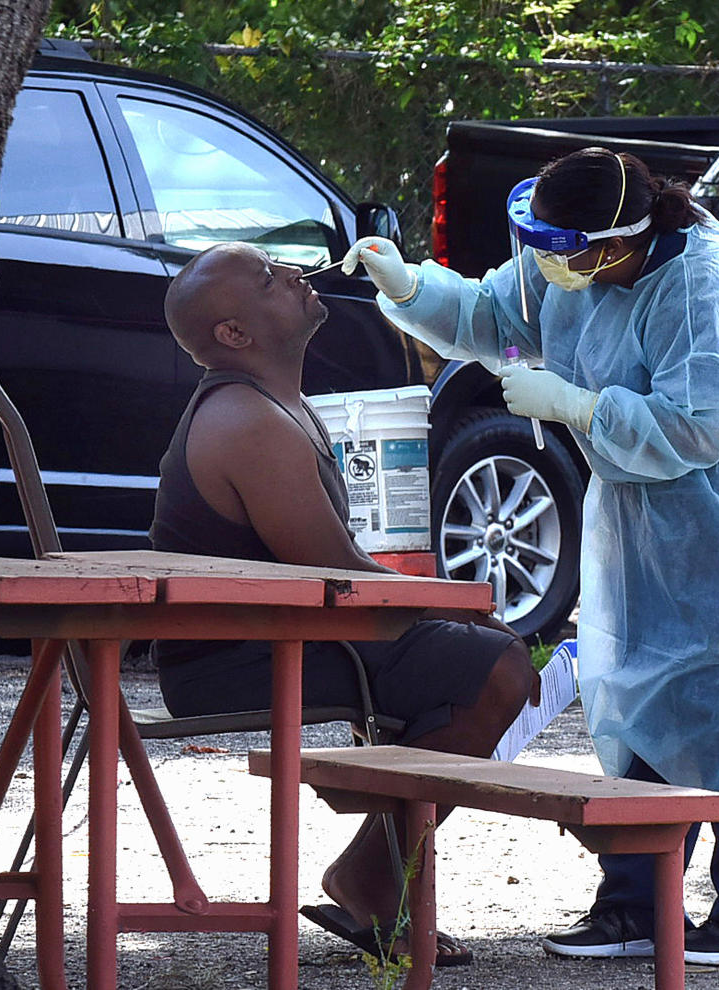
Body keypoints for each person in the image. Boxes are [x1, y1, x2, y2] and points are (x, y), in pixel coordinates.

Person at [340, 147, 719, 967]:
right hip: (650, 501)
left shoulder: (711, 287)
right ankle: (635, 901)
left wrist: (573, 401)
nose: (547, 265)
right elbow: (491, 316)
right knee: (640, 681)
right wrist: (409, 284)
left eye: (565, 252)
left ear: (611, 245)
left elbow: (697, 427)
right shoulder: (563, 257)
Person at [149, 240, 541, 966]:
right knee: (494, 669)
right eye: (269, 279)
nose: (295, 274)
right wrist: (450, 604)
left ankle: (372, 854)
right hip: (234, 658)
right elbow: (333, 572)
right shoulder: (248, 421)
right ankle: (370, 871)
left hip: (290, 633)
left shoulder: (277, 402)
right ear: (233, 335)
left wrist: (443, 610)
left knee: (481, 658)